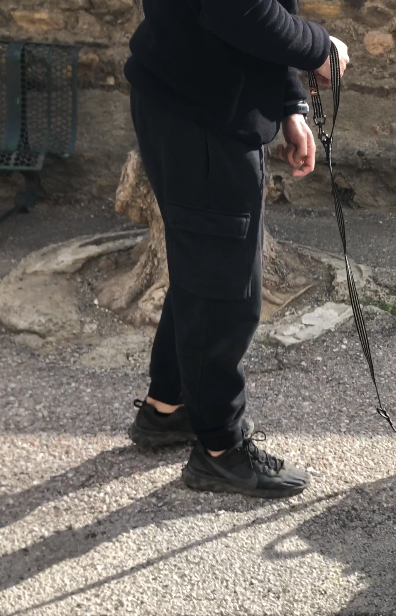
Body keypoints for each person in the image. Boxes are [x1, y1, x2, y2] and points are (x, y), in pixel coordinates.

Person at [122, 0, 349, 498]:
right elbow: (236, 10)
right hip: (201, 119)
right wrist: (319, 47)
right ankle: (219, 450)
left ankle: (168, 407)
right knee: (225, 290)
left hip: (192, 105)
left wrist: (289, 104)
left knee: (201, 270)